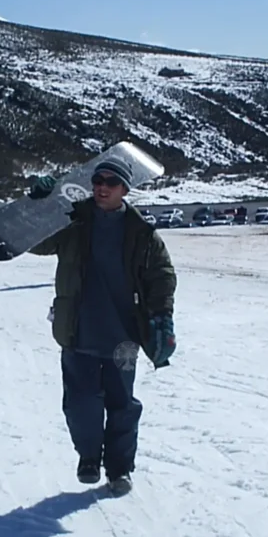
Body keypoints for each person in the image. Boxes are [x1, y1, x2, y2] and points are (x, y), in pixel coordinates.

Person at [27, 155, 177, 495]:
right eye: (98, 181)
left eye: (111, 182)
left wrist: (161, 317)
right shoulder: (74, 224)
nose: (102, 187)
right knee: (80, 405)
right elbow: (37, 244)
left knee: (122, 404)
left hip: (123, 339)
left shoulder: (141, 233)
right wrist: (39, 205)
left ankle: (119, 470)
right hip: (77, 332)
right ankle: (89, 458)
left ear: (125, 188)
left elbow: (163, 275)